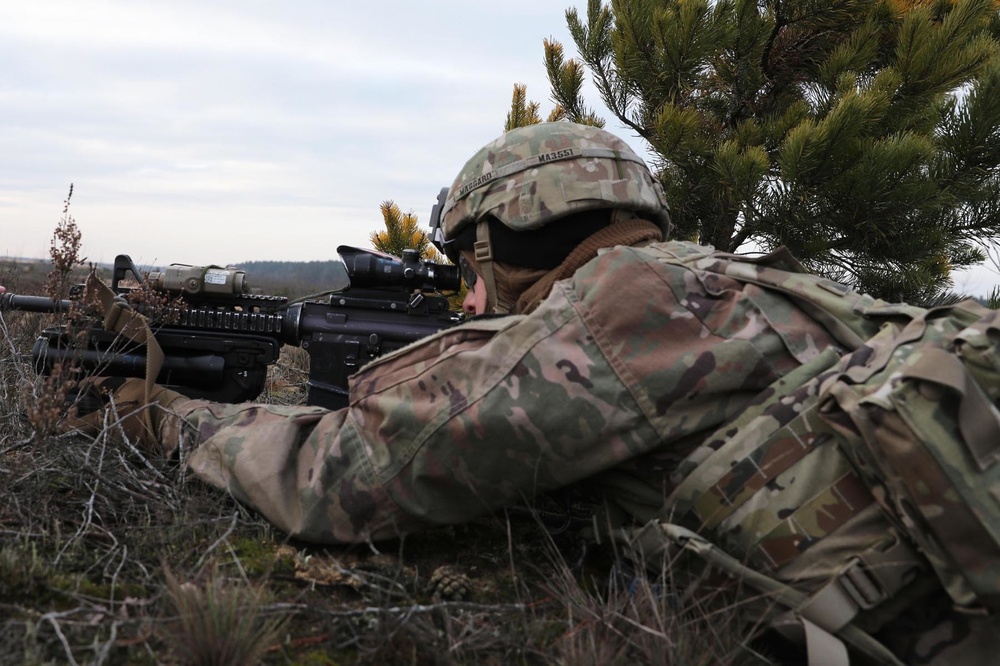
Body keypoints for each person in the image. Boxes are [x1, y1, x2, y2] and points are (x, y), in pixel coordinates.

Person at [14, 122, 1000, 664]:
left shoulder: (627, 307)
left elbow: (343, 483)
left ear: (502, 235)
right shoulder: (750, 285)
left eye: (464, 259)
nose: (462, 287)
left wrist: (172, 419)